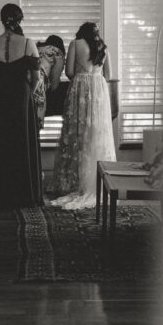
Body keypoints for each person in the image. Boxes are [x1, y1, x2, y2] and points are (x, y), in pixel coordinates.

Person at [0, 4, 44, 210]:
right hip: (20, 96)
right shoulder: (27, 44)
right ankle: (22, 195)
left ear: (2, 20)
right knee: (20, 142)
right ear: (19, 20)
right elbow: (35, 79)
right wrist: (26, 92)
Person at [47, 21, 116, 210]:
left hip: (80, 90)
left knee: (77, 134)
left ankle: (73, 181)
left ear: (81, 32)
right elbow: (109, 75)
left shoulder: (75, 44)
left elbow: (69, 72)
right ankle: (99, 181)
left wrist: (80, 76)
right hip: (99, 92)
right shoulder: (104, 47)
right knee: (96, 134)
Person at [33, 35, 66, 124]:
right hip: (38, 85)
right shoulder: (58, 54)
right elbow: (54, 85)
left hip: (23, 84)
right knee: (36, 123)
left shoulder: (37, 49)